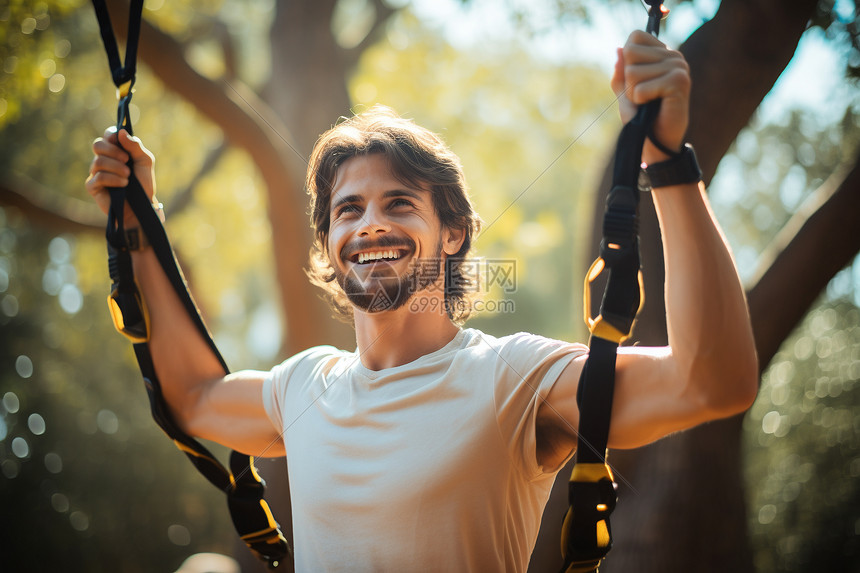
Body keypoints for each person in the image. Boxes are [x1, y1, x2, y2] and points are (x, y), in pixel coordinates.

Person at [86, 31, 757, 572]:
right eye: (347, 210)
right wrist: (141, 226)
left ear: (454, 232)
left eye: (399, 202)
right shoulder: (302, 384)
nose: (370, 224)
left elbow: (711, 381)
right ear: (329, 245)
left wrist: (667, 162)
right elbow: (193, 395)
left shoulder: (512, 378)